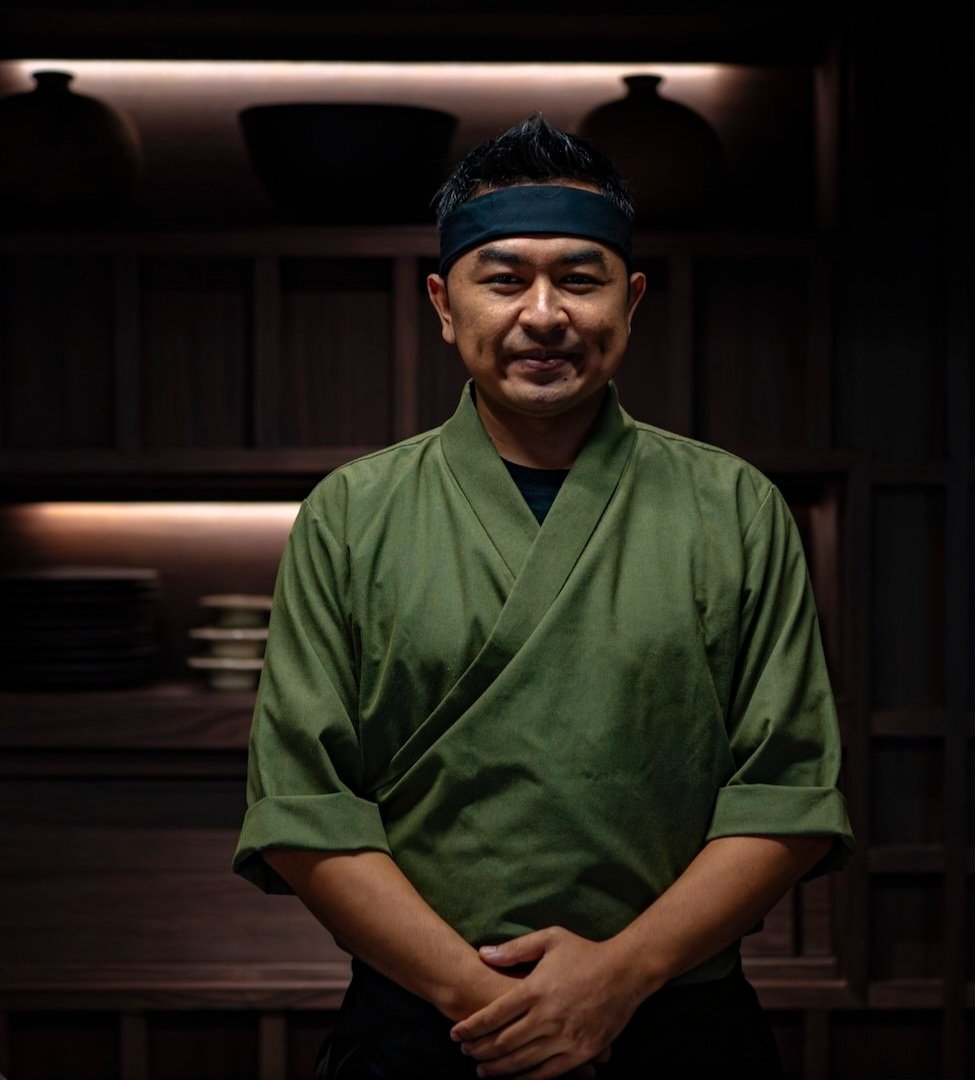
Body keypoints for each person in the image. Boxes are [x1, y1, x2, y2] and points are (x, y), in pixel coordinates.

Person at [233, 115, 853, 1079]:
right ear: (444, 303)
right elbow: (303, 812)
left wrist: (615, 982)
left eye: (579, 276)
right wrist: (500, 1008)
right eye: (503, 276)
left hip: (677, 1022)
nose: (543, 312)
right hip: (426, 1031)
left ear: (631, 298)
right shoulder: (352, 514)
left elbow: (790, 798)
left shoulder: (735, 507)